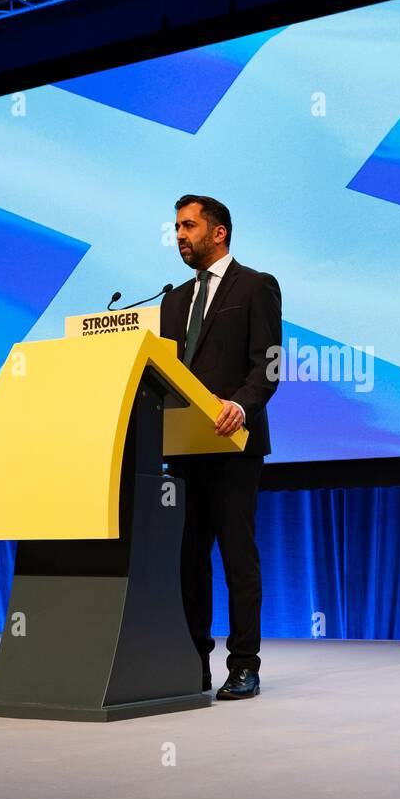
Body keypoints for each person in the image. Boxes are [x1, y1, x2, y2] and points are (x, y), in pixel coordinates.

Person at [159, 194, 282, 700]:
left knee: (236, 556)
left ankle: (244, 664)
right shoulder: (171, 300)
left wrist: (241, 405)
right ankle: (193, 664)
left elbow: (269, 364)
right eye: (177, 228)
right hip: (183, 447)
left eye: (188, 226)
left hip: (234, 443)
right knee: (189, 560)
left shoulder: (256, 286)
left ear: (219, 232)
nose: (180, 235)